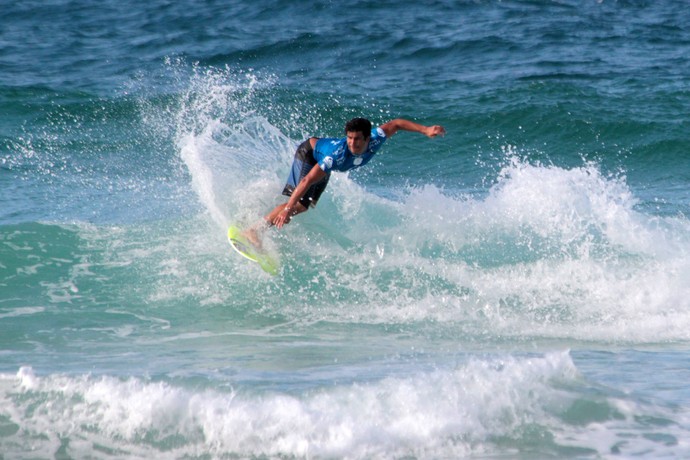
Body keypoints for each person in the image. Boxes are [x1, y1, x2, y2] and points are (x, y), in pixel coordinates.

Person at [245, 117, 446, 246]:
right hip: (309, 155)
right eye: (349, 138)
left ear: (368, 138)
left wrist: (425, 129)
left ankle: (267, 217)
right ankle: (254, 230)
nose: (352, 143)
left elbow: (396, 124)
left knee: (305, 206)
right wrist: (288, 209)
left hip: (323, 160)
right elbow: (306, 180)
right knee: (297, 203)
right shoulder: (337, 156)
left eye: (357, 139)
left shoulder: (377, 137)